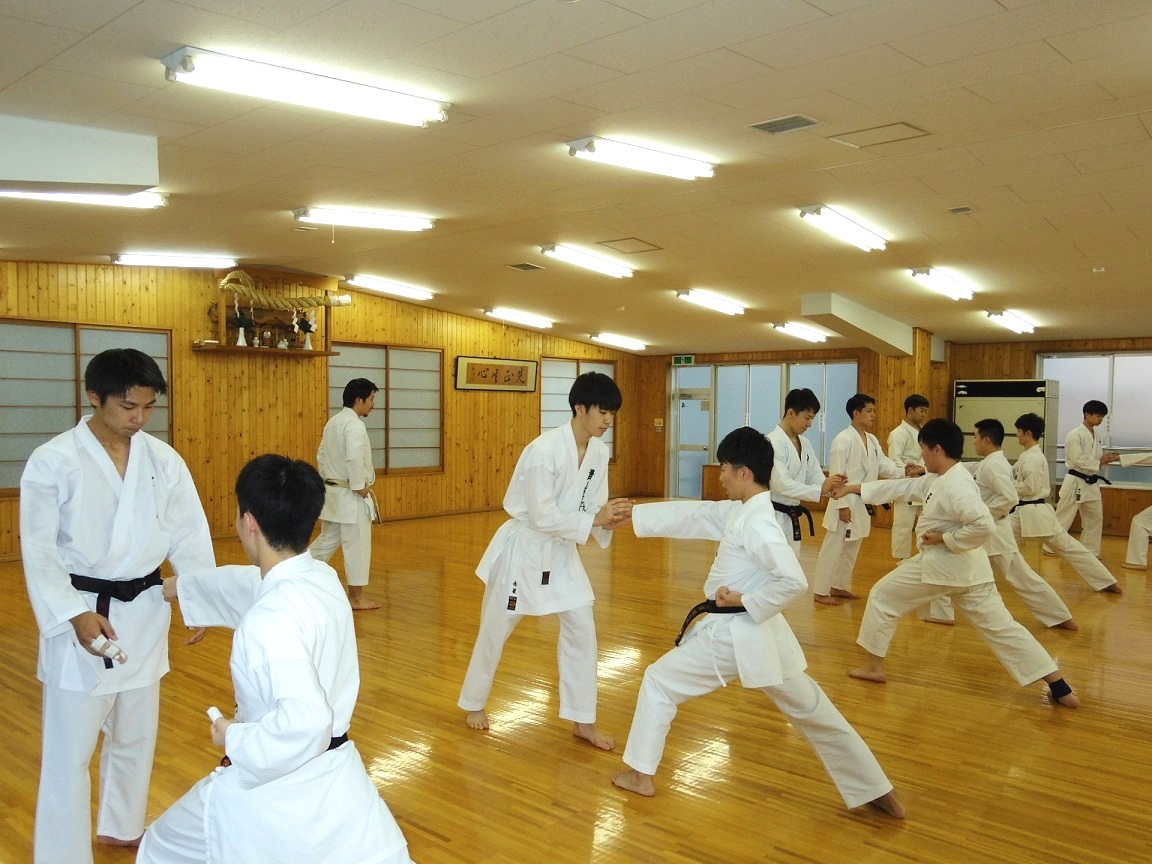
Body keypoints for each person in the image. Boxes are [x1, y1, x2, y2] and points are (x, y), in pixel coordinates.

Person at [611, 427, 904, 819]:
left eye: (725, 469)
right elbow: (698, 515)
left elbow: (794, 581)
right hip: (765, 639)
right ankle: (877, 787)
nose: (720, 476)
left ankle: (640, 775)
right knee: (815, 711)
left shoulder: (757, 523)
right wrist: (634, 515)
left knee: (658, 682)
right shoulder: (747, 511)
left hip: (731, 635)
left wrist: (744, 600)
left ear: (744, 472)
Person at [138, 455, 413, 864]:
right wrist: (183, 587)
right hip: (336, 780)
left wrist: (232, 735)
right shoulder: (320, 577)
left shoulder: (269, 620)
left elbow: (306, 721)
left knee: (161, 848)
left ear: (249, 522)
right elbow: (254, 585)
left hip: (276, 788)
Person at [19, 348, 215, 864]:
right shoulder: (54, 460)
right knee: (70, 751)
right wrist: (73, 613)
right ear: (94, 396)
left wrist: (198, 597)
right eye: (129, 406)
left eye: (149, 407)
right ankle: (60, 854)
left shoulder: (163, 460)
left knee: (136, 732)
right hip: (83, 610)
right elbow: (38, 548)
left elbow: (189, 532)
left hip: (144, 609)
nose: (139, 418)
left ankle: (123, 825)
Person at [837, 419, 1080, 707]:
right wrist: (853, 488)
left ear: (937, 449)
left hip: (943, 566)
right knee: (1003, 628)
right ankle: (1059, 685)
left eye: (923, 450)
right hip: (973, 572)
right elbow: (902, 487)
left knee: (881, 596)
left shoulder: (956, 485)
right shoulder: (942, 477)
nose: (922, 457)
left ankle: (874, 668)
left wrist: (945, 538)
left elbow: (983, 525)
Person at [458, 372, 632, 750]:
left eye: (612, 414)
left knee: (582, 629)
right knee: (495, 628)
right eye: (602, 412)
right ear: (580, 408)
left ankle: (583, 720)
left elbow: (592, 505)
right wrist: (593, 520)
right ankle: (474, 702)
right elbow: (542, 516)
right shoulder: (543, 451)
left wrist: (608, 519)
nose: (608, 420)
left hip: (562, 552)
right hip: (523, 552)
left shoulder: (599, 453)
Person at [925, 419, 1078, 631]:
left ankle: (1060, 616)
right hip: (990, 530)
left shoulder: (993, 465)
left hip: (994, 531)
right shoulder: (991, 462)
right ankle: (940, 613)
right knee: (944, 561)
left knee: (1020, 577)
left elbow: (1010, 497)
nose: (973, 442)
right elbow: (969, 468)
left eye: (976, 437)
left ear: (986, 440)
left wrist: (982, 517)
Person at [1011, 413, 1121, 593]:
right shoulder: (1028, 455)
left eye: (1018, 431)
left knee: (1070, 548)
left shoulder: (1032, 458)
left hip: (1034, 510)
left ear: (1027, 433)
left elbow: (1030, 487)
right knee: (997, 541)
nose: (1017, 435)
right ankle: (1106, 580)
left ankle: (1106, 581)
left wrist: (1007, 486)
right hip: (1025, 511)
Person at [813, 393, 905, 605]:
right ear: (856, 413)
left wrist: (905, 473)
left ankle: (839, 586)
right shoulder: (842, 440)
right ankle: (820, 590)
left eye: (874, 411)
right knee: (833, 548)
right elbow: (836, 476)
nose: (873, 415)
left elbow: (884, 466)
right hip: (844, 499)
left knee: (851, 548)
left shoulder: (871, 440)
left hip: (862, 500)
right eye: (869, 411)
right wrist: (841, 505)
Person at [309, 378, 380, 611]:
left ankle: (291, 574)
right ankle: (356, 598)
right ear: (359, 399)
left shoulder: (334, 422)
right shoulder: (354, 425)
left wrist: (327, 480)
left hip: (333, 493)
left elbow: (321, 455)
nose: (373, 404)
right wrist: (359, 485)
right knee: (357, 547)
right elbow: (354, 457)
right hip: (351, 496)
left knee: (326, 541)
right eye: (371, 399)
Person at [766, 388, 841, 555]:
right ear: (791, 413)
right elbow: (780, 484)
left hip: (793, 516)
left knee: (791, 563)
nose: (810, 424)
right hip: (774, 516)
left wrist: (830, 487)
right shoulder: (772, 442)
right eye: (807, 418)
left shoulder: (804, 443)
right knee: (774, 565)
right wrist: (819, 490)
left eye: (812, 418)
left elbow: (814, 474)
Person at [1051, 400, 1120, 557]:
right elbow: (1077, 459)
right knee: (1064, 516)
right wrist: (1100, 461)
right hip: (1075, 481)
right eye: (1098, 416)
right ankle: (1051, 547)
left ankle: (1091, 551)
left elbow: (1096, 457)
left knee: (1095, 518)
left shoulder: (1098, 435)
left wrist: (1105, 460)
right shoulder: (1074, 435)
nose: (1101, 420)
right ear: (1087, 414)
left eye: (1103, 417)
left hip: (1091, 482)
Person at [887, 394, 930, 560]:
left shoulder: (923, 432)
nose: (924, 414)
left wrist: (922, 470)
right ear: (910, 410)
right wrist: (909, 472)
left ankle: (926, 556)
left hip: (922, 483)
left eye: (925, 411)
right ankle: (901, 560)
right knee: (903, 526)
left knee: (928, 522)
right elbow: (894, 461)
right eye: (921, 410)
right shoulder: (898, 433)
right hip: (905, 485)